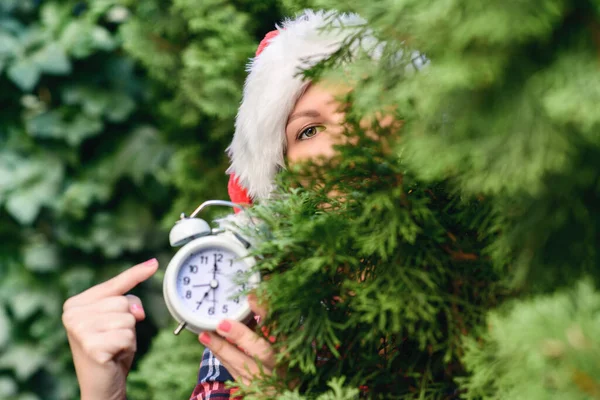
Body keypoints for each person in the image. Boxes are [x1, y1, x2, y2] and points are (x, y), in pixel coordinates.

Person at [62, 9, 408, 400]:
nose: (347, 139)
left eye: (363, 104)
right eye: (309, 131)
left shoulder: (483, 260)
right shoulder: (255, 324)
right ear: (285, 180)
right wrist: (104, 394)